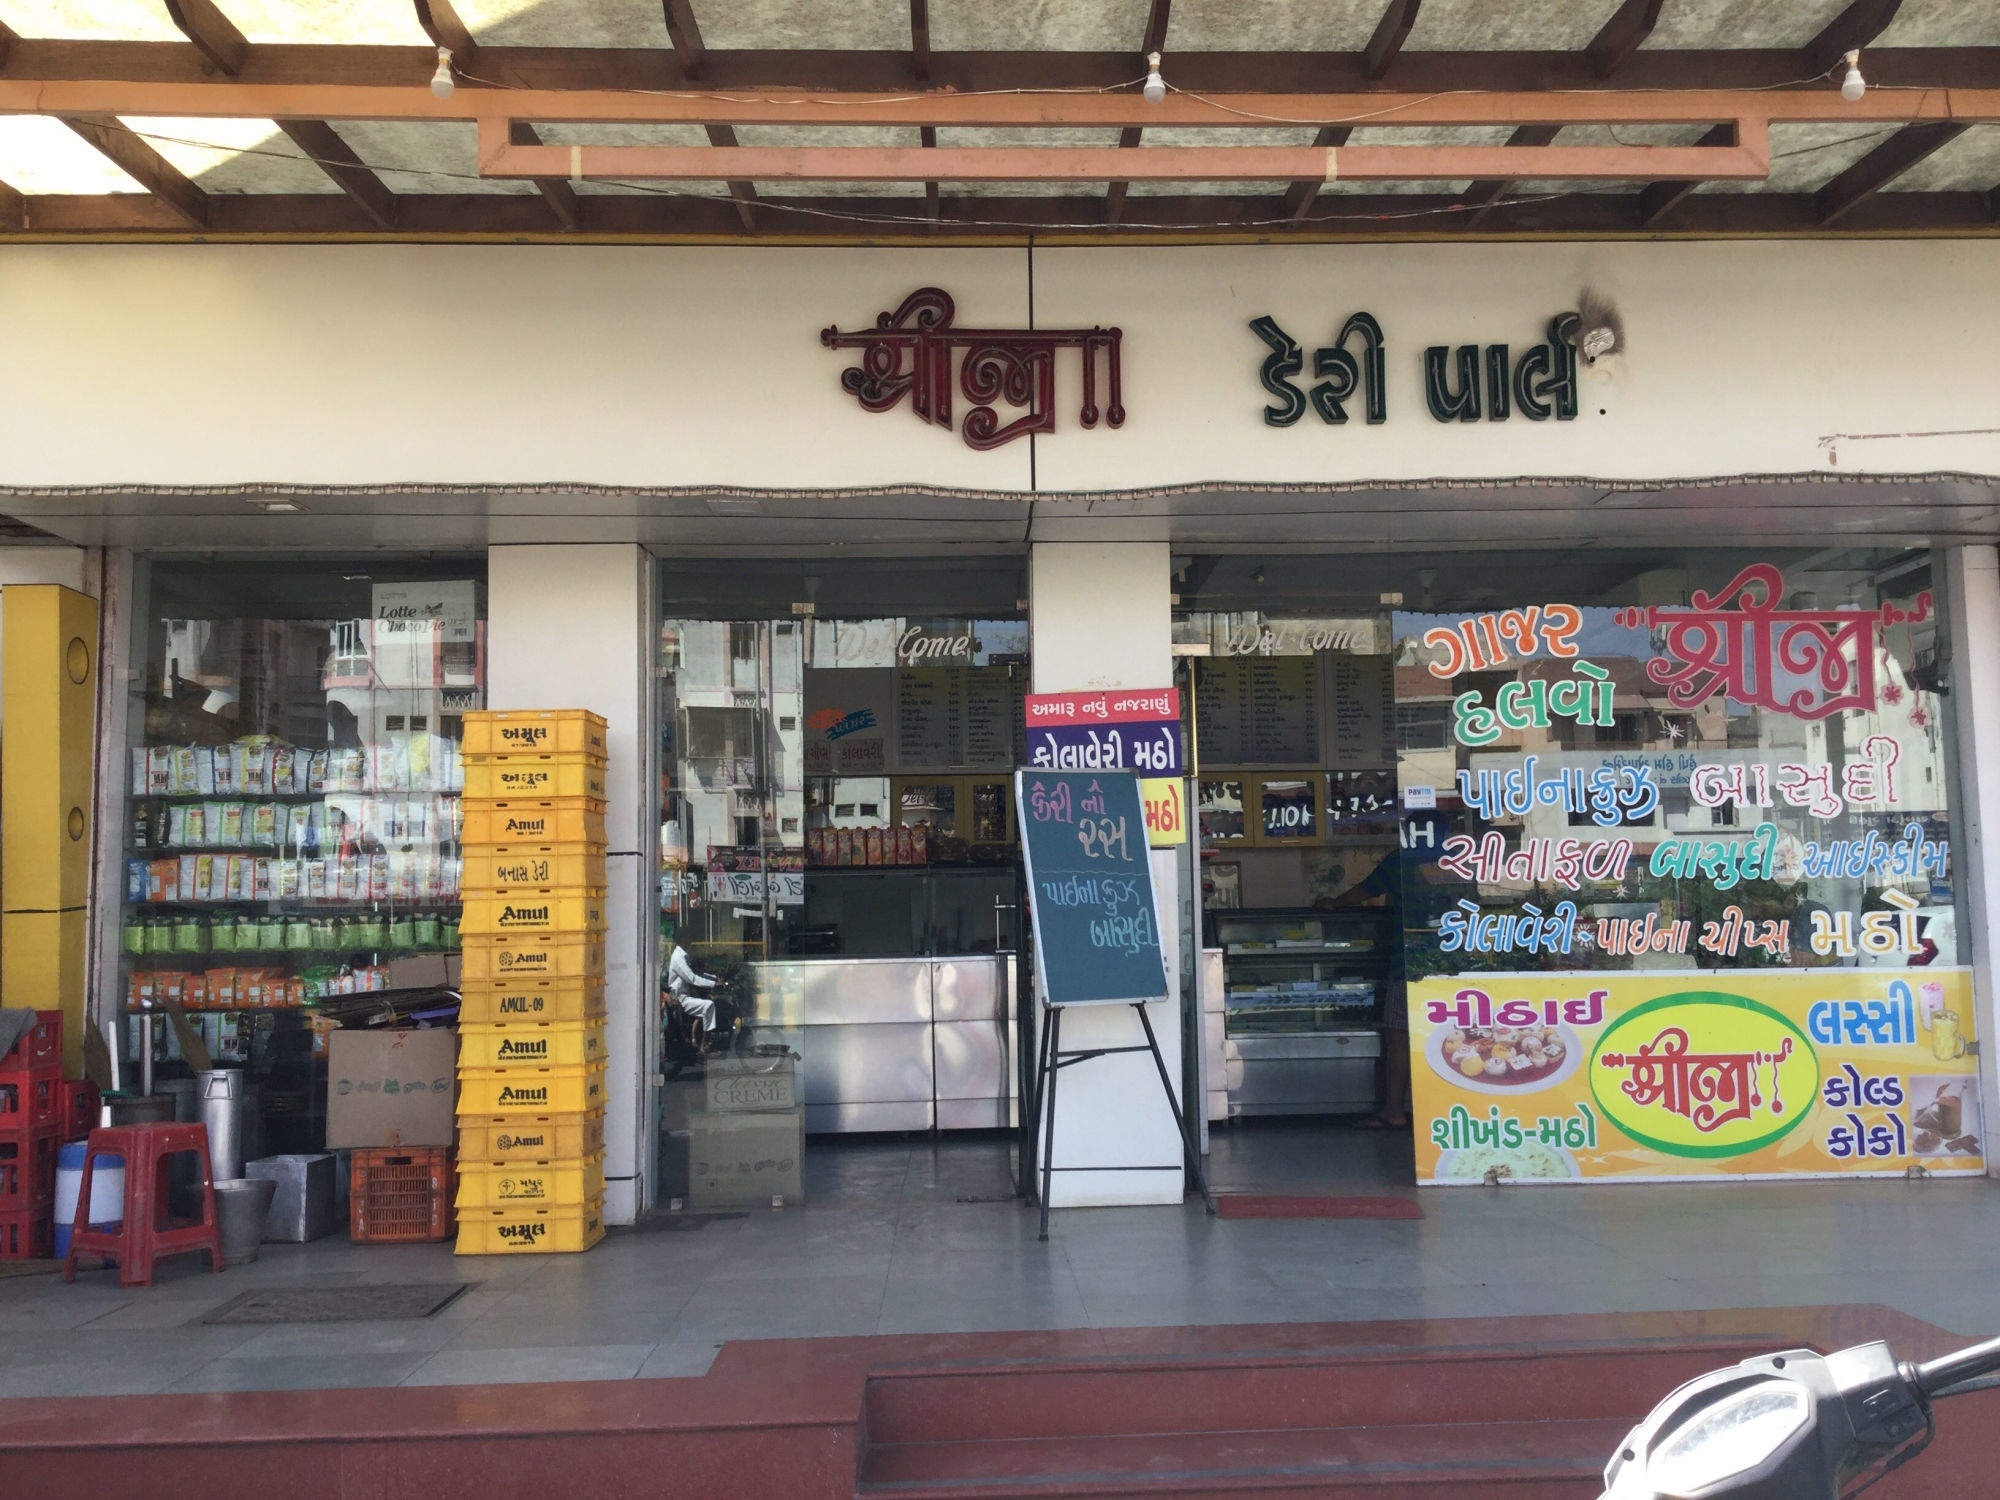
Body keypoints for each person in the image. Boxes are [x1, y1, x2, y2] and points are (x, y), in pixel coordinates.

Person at [1331, 850, 1410, 1129]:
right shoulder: (1459, 854)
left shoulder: (1401, 859)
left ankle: (1394, 1111)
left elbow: (1363, 892)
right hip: (1451, 963)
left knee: (1399, 1039)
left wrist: (1333, 904)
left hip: (1409, 965)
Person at [663, 925, 720, 1034]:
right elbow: (693, 978)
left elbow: (697, 972)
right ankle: (707, 1041)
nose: (691, 941)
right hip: (680, 999)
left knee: (709, 1000)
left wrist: (714, 978)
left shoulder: (685, 956)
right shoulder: (678, 958)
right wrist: (713, 984)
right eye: (689, 938)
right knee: (709, 1006)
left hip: (688, 994)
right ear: (682, 939)